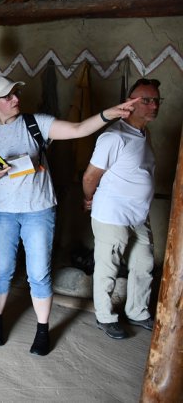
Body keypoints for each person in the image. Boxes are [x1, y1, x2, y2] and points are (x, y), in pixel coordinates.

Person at [0, 76, 140, 356]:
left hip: (38, 211)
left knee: (39, 273)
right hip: (3, 213)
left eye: (16, 93)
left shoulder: (35, 123)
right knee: (1, 270)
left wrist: (108, 114)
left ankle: (42, 330)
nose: (16, 99)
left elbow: (78, 129)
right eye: (8, 96)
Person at [82, 78, 160, 340]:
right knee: (108, 267)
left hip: (138, 214)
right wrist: (88, 198)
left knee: (144, 264)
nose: (153, 105)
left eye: (156, 100)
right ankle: (105, 316)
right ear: (130, 103)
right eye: (146, 100)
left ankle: (137, 311)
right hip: (112, 214)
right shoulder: (113, 137)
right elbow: (90, 176)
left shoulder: (144, 134)